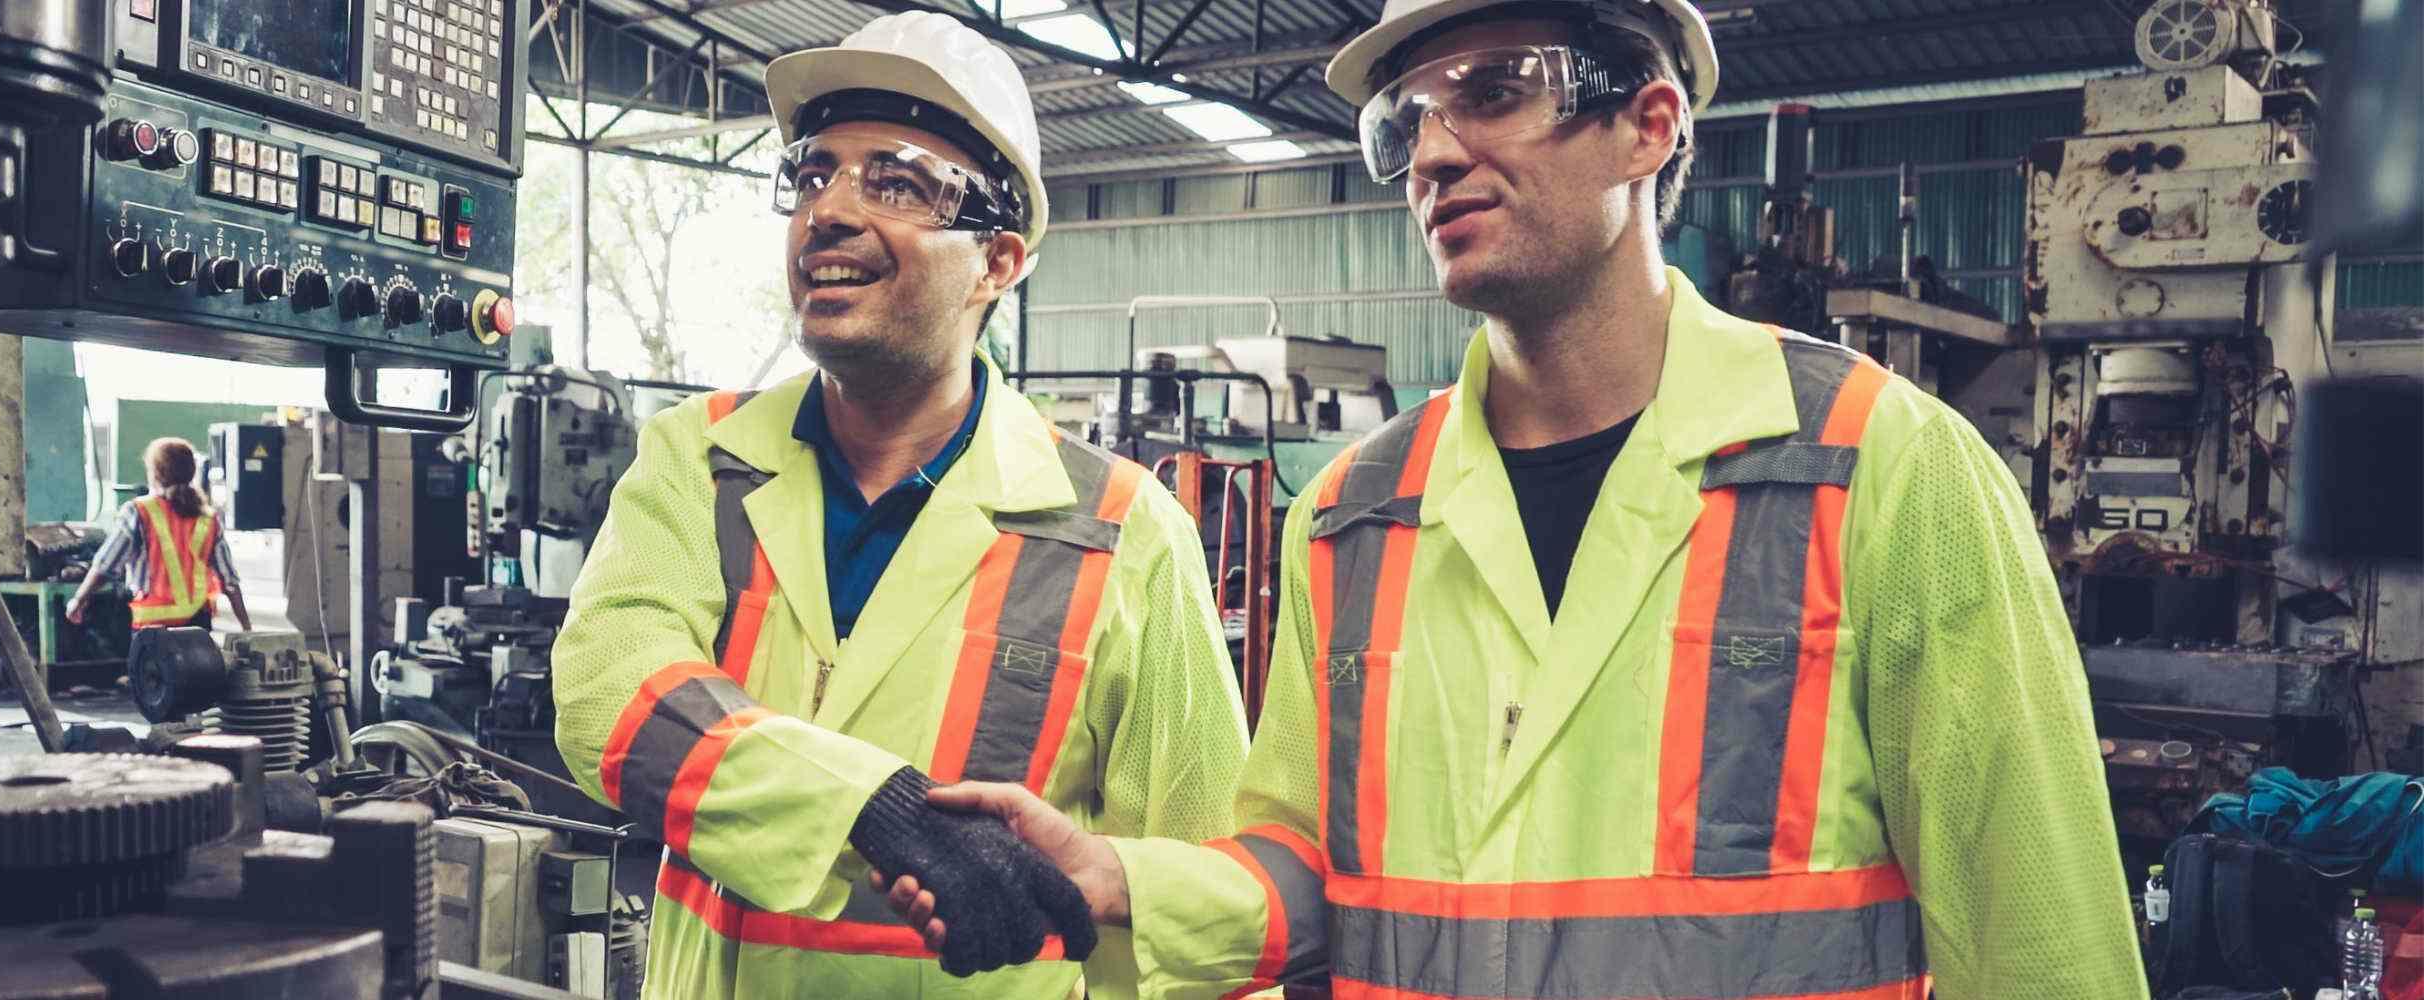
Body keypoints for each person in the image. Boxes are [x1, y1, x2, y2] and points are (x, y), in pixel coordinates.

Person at [881, 1, 2147, 997]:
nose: (1433, 149)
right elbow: (1308, 868)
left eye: (1493, 92)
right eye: (1409, 119)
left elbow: (2041, 942)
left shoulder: (1883, 470)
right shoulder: (1354, 515)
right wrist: (1126, 878)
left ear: (1649, 126)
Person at [548, 11, 1250, 998]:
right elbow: (604, 689)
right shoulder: (698, 461)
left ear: (998, 261)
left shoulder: (1123, 533)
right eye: (812, 174)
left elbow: (1198, 894)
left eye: (898, 180)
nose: (826, 211)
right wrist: (871, 805)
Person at [68, 437, 252, 633]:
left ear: (156, 473)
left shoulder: (137, 511)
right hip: (198, 628)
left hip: (151, 630)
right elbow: (229, 580)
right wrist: (246, 627)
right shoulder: (208, 518)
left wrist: (79, 599)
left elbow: (106, 565)